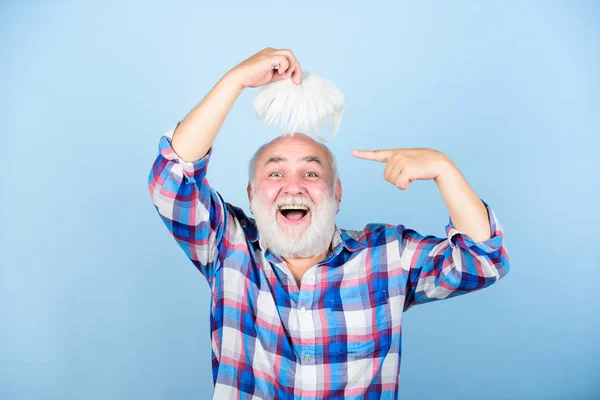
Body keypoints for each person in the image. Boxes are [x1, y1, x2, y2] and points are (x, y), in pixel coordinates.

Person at [147, 47, 510, 399]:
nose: (293, 186)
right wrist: (235, 80)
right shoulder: (228, 246)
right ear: (252, 194)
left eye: (310, 172)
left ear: (337, 193)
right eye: (275, 172)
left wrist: (444, 170)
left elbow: (482, 260)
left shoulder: (386, 256)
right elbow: (172, 178)